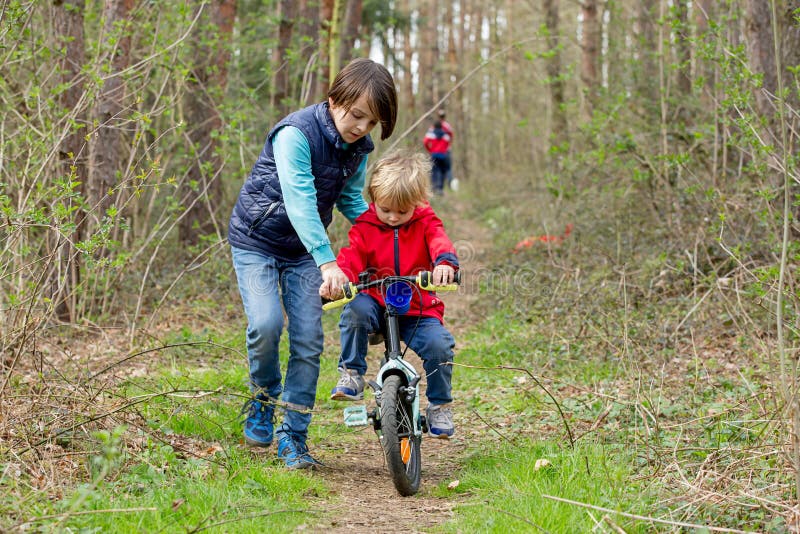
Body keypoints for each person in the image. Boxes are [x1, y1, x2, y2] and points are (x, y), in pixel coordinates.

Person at [228, 58, 397, 469]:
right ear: (333, 98)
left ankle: (294, 438)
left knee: (307, 341)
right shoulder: (294, 135)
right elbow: (300, 201)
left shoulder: (358, 149)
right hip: (257, 243)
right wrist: (328, 263)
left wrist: (388, 238)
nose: (360, 127)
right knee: (266, 325)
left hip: (304, 253)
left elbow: (351, 199)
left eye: (371, 123)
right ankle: (264, 397)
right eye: (356, 115)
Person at [328, 150, 459, 439]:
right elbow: (352, 256)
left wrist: (445, 264)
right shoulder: (366, 225)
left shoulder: (426, 221)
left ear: (418, 202)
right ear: (374, 199)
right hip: (376, 302)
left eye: (402, 212)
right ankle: (351, 372)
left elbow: (439, 240)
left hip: (418, 306)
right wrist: (341, 278)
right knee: (355, 312)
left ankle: (439, 405)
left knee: (439, 346)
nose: (393, 218)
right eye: (386, 209)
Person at [423, 120, 452, 195]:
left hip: (434, 155)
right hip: (443, 155)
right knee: (443, 172)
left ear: (434, 127)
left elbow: (425, 142)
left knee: (435, 171)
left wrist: (430, 150)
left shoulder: (430, 134)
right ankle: (440, 188)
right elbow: (448, 144)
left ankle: (434, 187)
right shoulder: (446, 136)